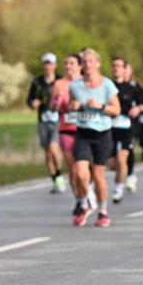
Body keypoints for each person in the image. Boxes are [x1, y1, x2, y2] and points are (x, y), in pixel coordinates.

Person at [69, 48, 120, 227]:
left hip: (102, 135)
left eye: (90, 61)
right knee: (80, 172)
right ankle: (84, 203)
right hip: (83, 133)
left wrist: (100, 106)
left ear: (97, 63)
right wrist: (72, 106)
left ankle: (103, 211)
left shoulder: (107, 85)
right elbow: (68, 106)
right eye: (84, 62)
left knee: (98, 175)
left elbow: (117, 110)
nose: (87, 65)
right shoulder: (75, 85)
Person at [51, 54, 86, 213]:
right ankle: (79, 200)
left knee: (84, 168)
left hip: (85, 128)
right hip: (66, 128)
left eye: (72, 63)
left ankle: (87, 194)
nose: (68, 66)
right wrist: (56, 102)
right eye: (66, 63)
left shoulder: (86, 82)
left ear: (80, 66)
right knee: (73, 169)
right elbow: (52, 108)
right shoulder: (59, 84)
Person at [27, 52, 65, 193]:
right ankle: (54, 179)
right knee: (48, 153)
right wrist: (33, 104)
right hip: (43, 120)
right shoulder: (37, 83)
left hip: (58, 120)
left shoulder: (61, 80)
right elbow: (29, 101)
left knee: (54, 148)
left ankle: (60, 175)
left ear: (55, 65)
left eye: (50, 63)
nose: (48, 66)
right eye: (45, 63)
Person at [110, 57, 143, 203]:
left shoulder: (132, 87)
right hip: (109, 127)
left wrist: (138, 108)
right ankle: (123, 178)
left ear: (125, 69)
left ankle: (118, 188)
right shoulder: (107, 86)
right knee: (111, 164)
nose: (116, 68)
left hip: (126, 127)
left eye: (119, 66)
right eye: (114, 66)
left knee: (121, 158)